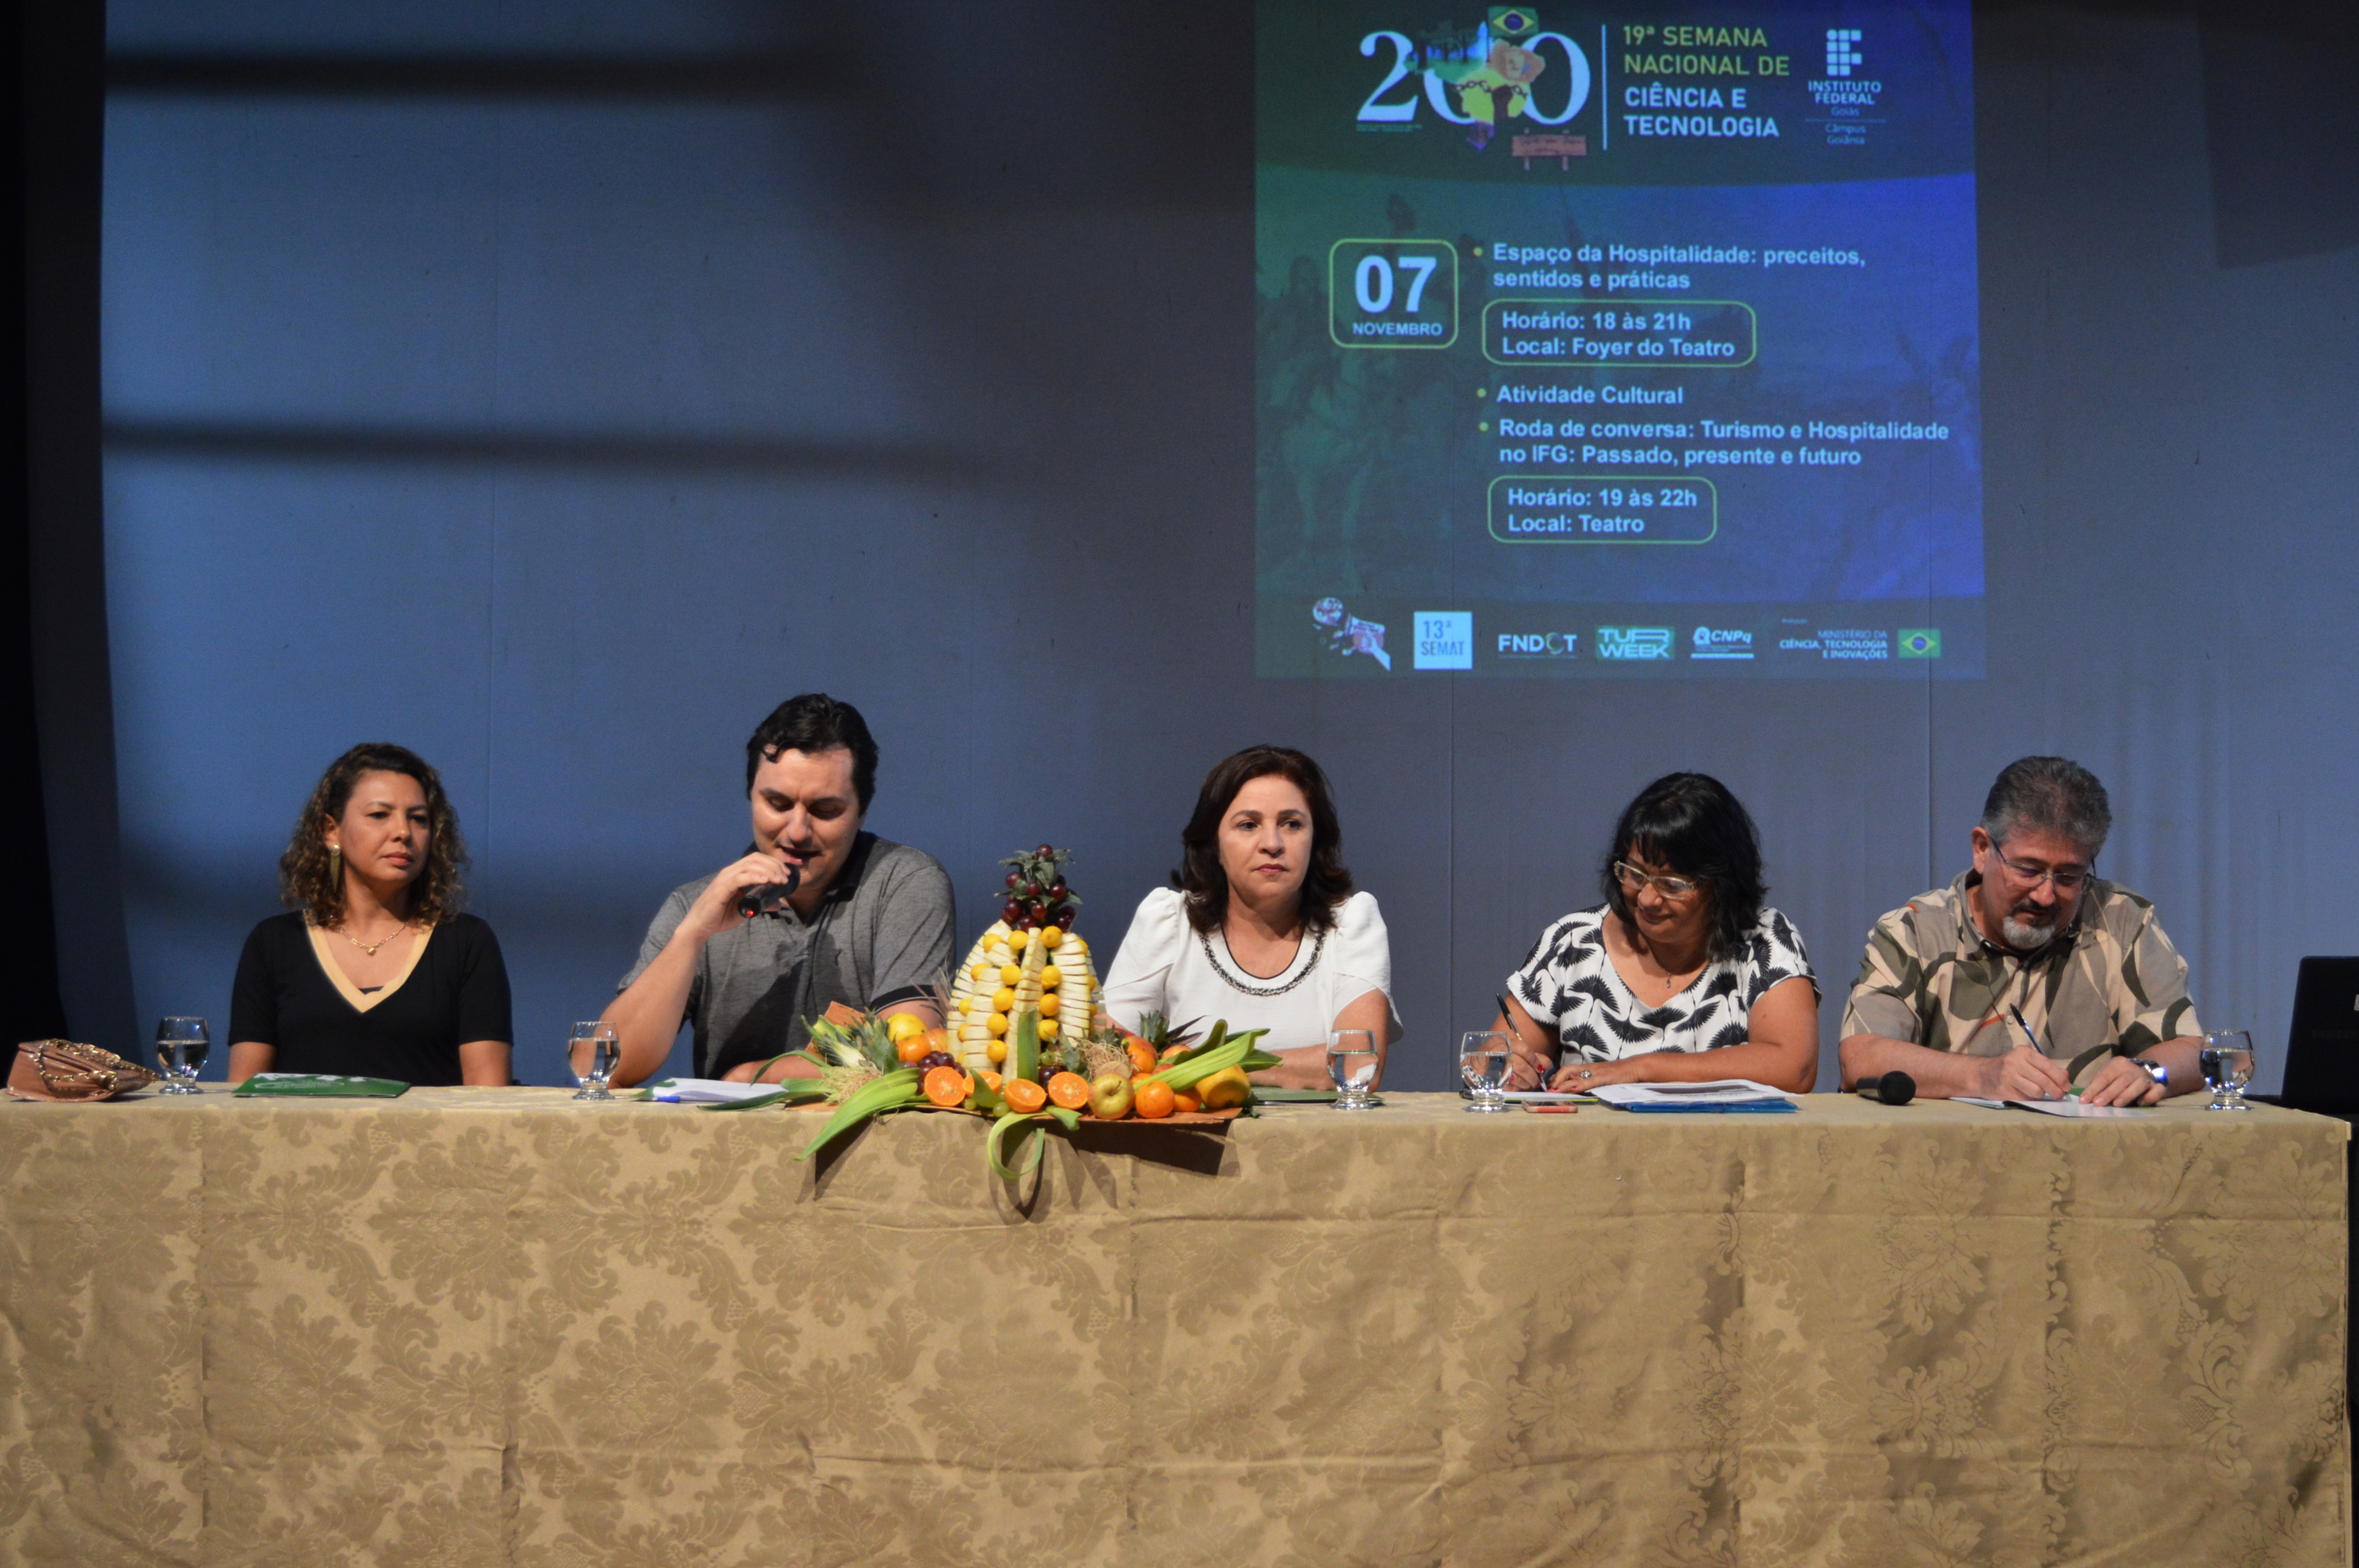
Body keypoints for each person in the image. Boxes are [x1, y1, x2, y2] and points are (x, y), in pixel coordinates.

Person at [604, 694, 954, 1087]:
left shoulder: (903, 882)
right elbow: (601, 1068)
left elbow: (908, 1055)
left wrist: (751, 1077)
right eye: (778, 803)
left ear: (863, 809)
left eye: (825, 810)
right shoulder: (697, 904)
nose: (797, 831)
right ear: (750, 797)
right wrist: (691, 936)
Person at [1839, 756, 2201, 1105]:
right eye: (2028, 869)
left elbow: (2192, 1051)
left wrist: (2149, 1072)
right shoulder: (1915, 931)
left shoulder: (2122, 921)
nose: (2045, 896)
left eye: (2068, 876)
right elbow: (1861, 1056)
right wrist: (1982, 1077)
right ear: (1982, 850)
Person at [1498, 773, 1819, 1094]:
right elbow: (1495, 1058)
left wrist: (1639, 1069)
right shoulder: (1574, 942)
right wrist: (1511, 1068)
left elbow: (1795, 1067)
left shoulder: (1763, 941)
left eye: (1672, 884)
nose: (1647, 899)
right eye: (1635, 874)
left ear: (1721, 885)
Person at [1101, 745, 1397, 1089]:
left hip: (1320, 1140)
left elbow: (1359, 1065)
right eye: (1248, 825)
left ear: (1315, 841)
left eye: (1292, 824)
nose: (1272, 843)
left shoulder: (1351, 923)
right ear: (1215, 844)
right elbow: (1109, 1053)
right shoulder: (1169, 921)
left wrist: (1201, 1065)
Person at [228, 744, 512, 1086]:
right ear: (331, 831)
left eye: (419, 819)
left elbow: (488, 1095)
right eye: (380, 815)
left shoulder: (466, 941)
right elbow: (244, 1094)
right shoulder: (274, 943)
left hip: (428, 1140)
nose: (403, 832)